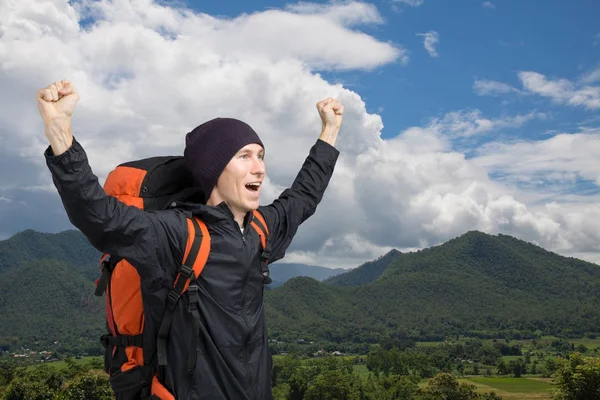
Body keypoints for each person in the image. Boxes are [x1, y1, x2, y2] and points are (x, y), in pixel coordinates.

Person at [37, 80, 343, 399]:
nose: (260, 169)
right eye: (244, 156)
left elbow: (304, 195)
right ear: (214, 169)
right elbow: (101, 217)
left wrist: (330, 131)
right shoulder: (177, 234)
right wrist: (60, 132)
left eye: (261, 156)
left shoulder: (261, 229)